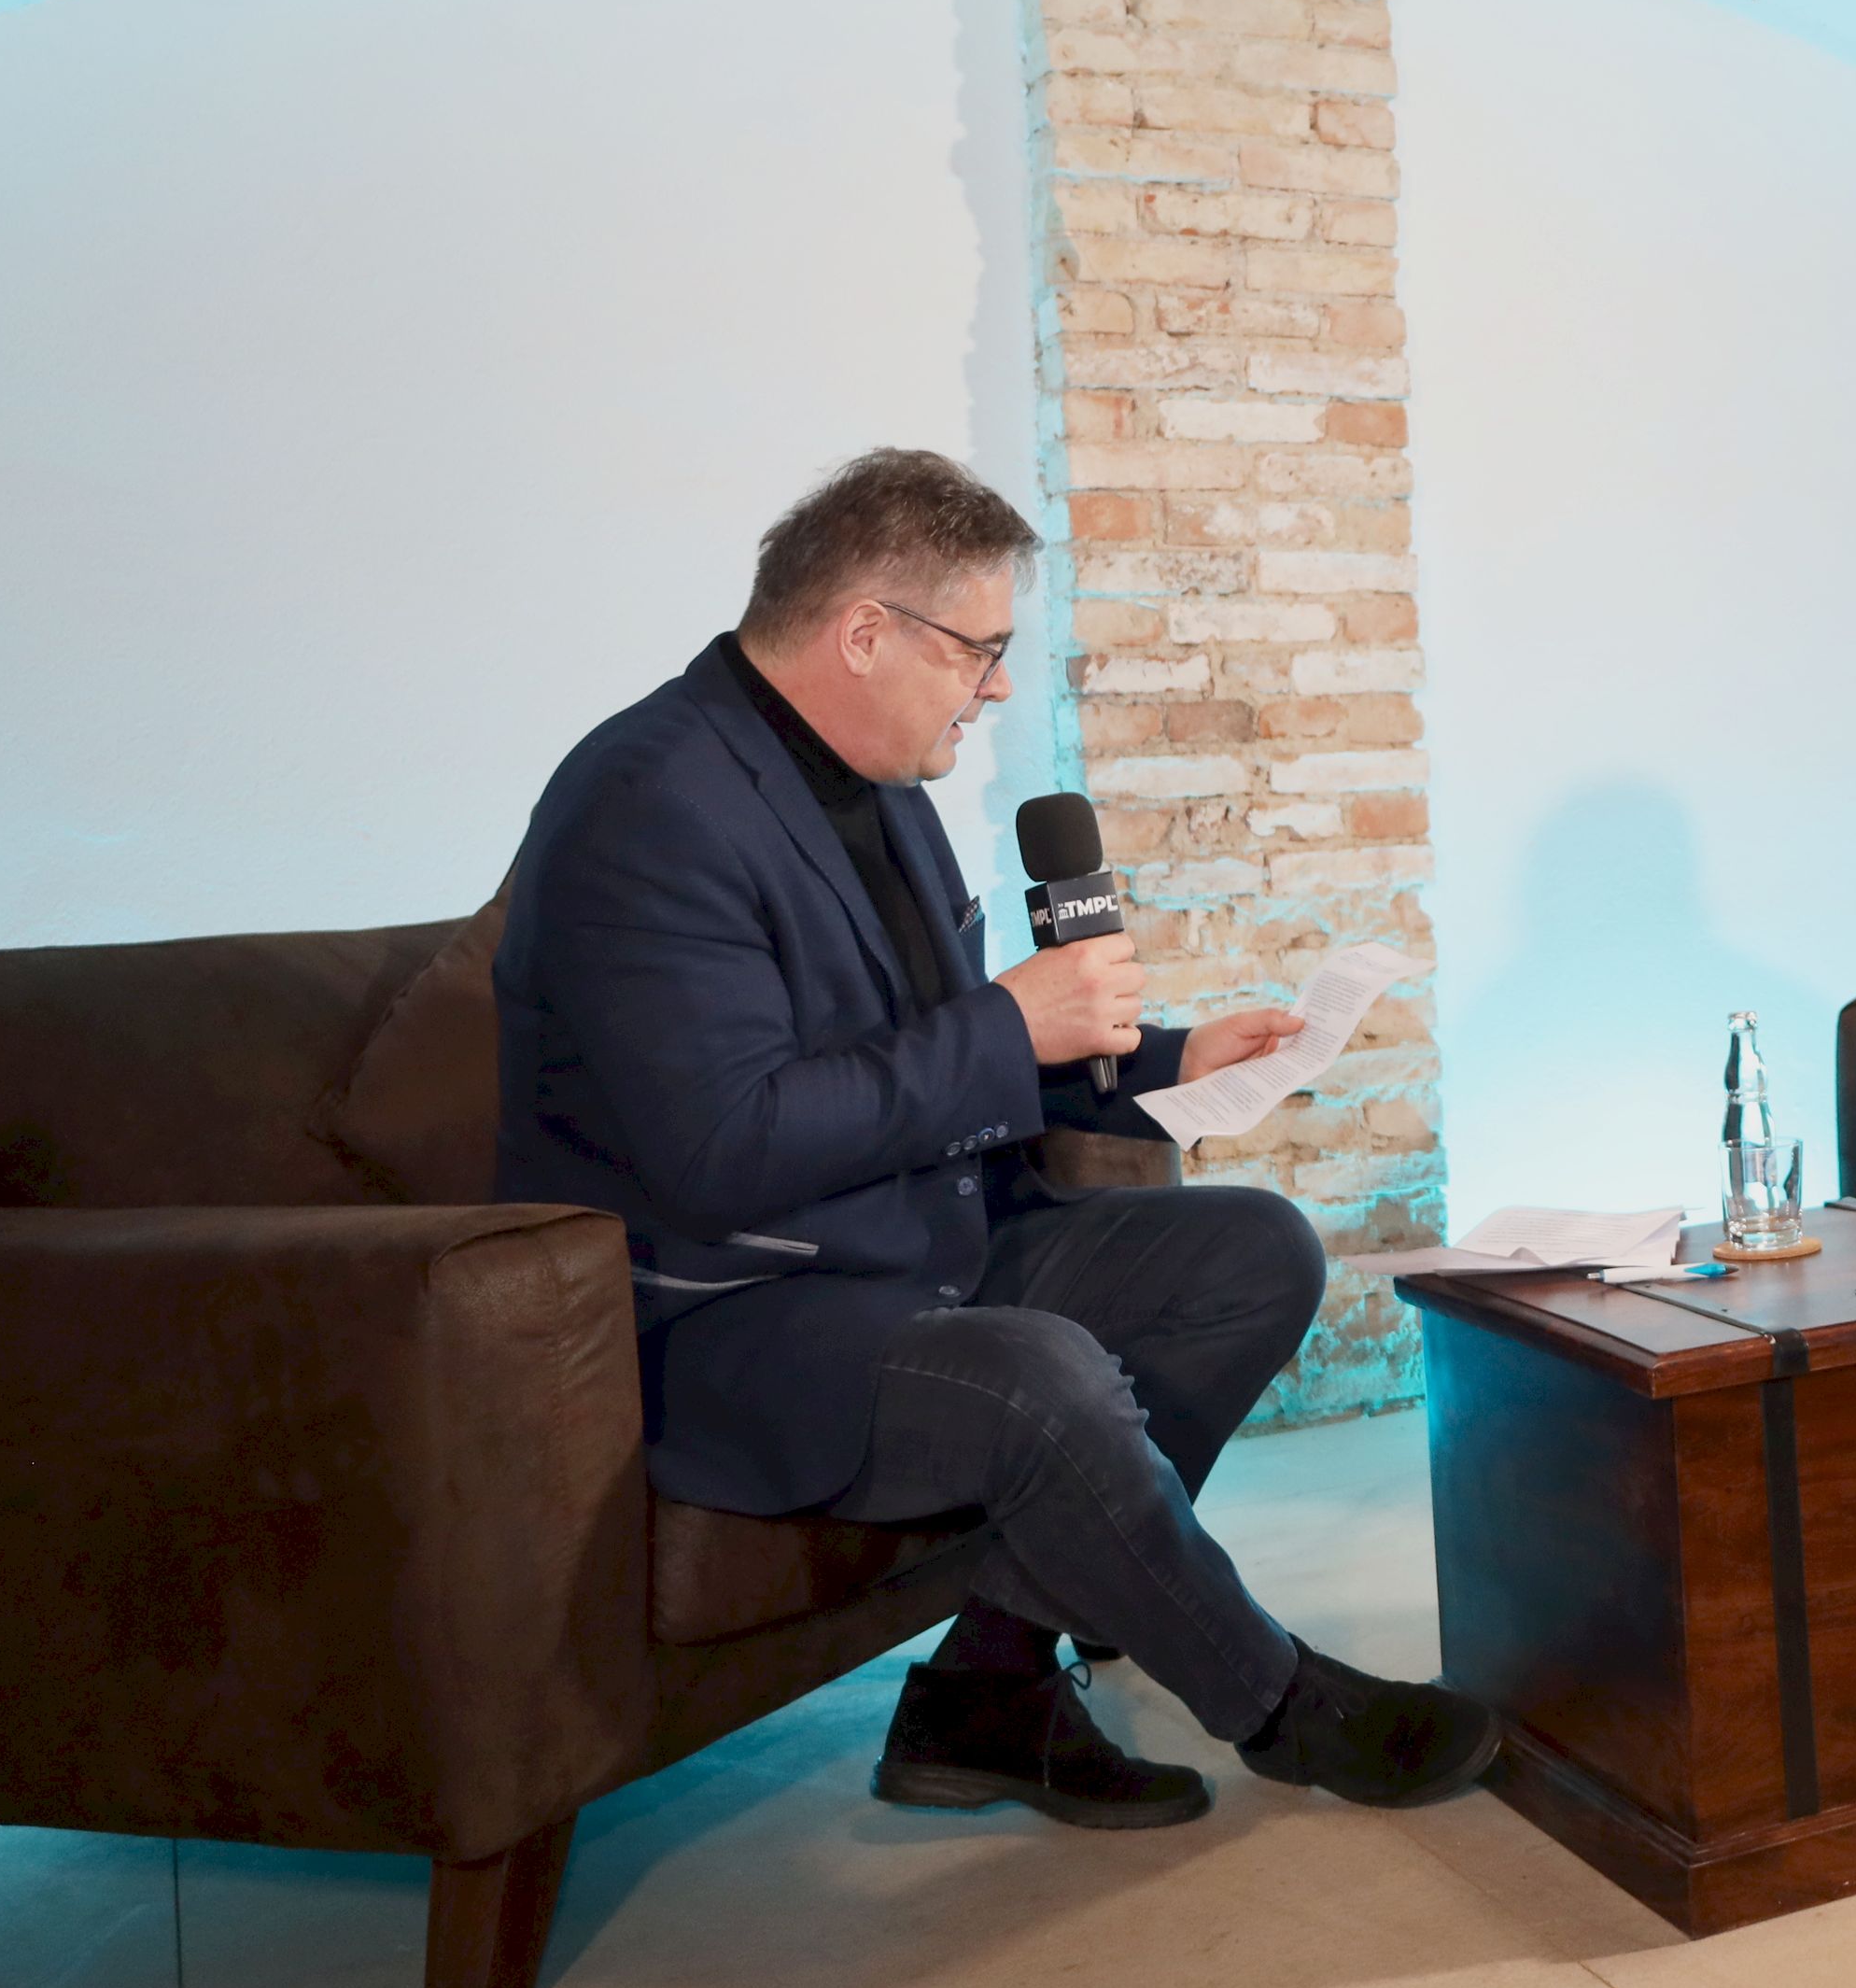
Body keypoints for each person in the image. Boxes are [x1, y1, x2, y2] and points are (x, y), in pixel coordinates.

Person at [495, 448, 1498, 1829]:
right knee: (1038, 1374)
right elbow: (723, 1145)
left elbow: (934, 1049)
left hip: (910, 1251)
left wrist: (1165, 1061)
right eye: (979, 650)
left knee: (1256, 1250)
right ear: (864, 633)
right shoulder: (645, 804)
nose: (1000, 687)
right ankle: (1278, 1705)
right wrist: (1011, 1024)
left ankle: (990, 1691)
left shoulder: (880, 783)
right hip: (737, 1320)